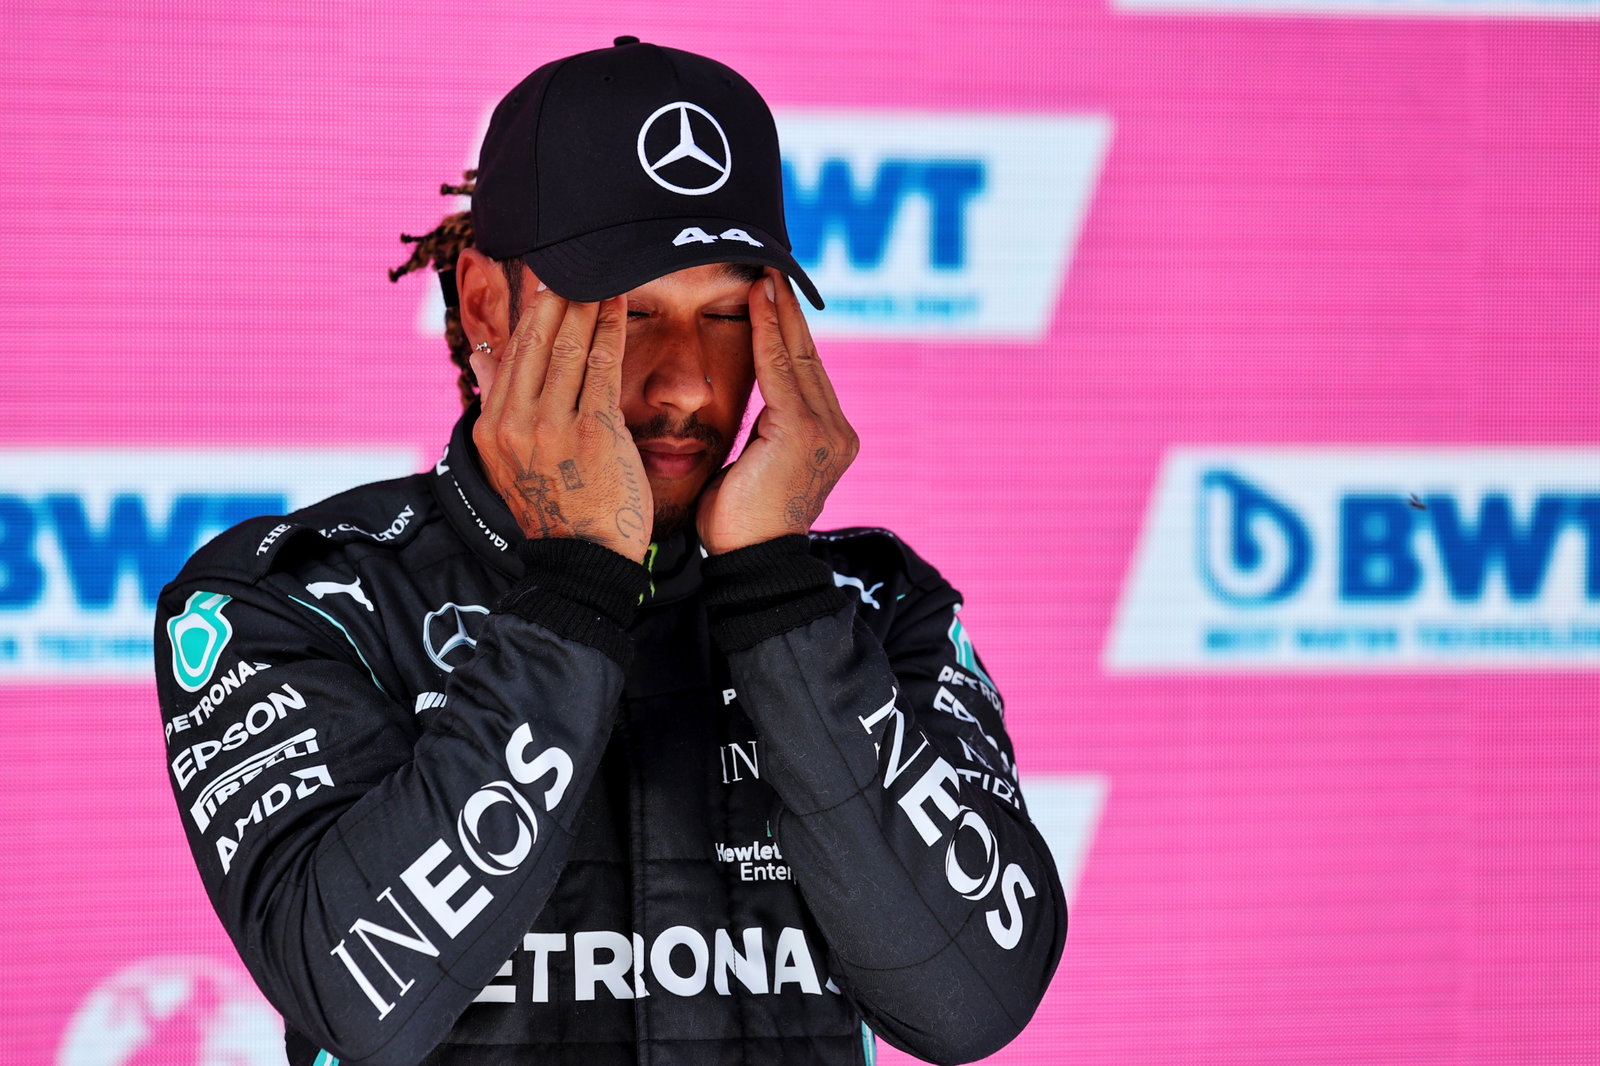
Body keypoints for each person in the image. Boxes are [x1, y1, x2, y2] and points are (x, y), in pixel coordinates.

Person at [155, 37, 1066, 1066]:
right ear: (485, 302)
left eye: (726, 313)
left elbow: (971, 1002)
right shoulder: (299, 599)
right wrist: (580, 579)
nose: (684, 384)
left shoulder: (871, 606)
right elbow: (359, 996)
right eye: (629, 314)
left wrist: (775, 593)